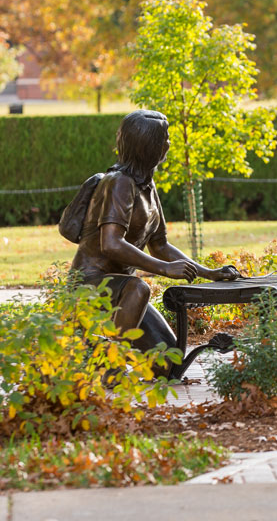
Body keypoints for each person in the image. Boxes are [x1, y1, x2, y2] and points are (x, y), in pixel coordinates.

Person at [71, 109, 239, 368]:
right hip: (91, 284)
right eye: (164, 138)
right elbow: (111, 243)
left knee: (167, 365)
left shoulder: (146, 186)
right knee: (140, 287)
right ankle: (110, 365)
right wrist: (164, 268)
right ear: (146, 145)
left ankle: (100, 351)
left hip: (121, 290)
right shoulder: (119, 183)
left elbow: (159, 245)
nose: (168, 144)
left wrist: (208, 273)